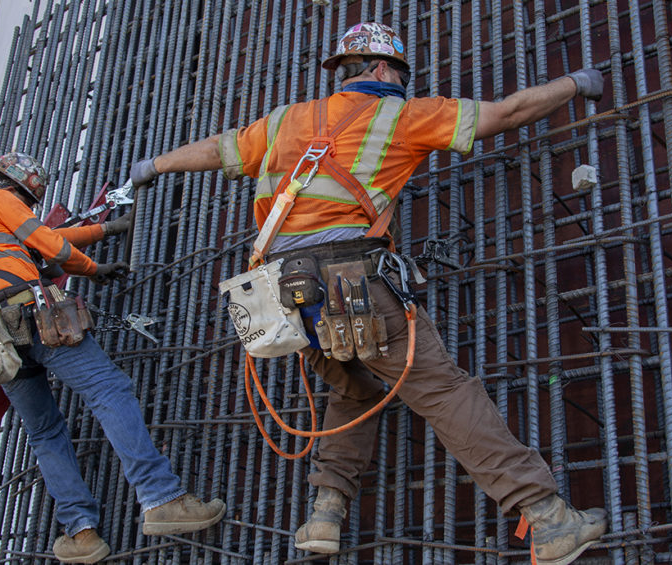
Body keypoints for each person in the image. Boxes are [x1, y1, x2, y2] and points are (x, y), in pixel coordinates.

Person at [130, 21, 607, 565]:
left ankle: (324, 516)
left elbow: (220, 150)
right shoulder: (401, 115)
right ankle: (548, 519)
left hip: (282, 295)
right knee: (445, 392)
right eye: (402, 73)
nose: (406, 82)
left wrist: (154, 165)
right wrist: (575, 81)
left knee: (352, 387)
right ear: (381, 69)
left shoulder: (286, 120)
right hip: (350, 280)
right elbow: (508, 112)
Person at [0, 151, 226, 564]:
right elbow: (49, 244)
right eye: (27, 201)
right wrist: (94, 271)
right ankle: (161, 498)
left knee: (44, 431)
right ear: (13, 186)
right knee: (109, 391)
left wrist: (105, 229)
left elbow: (43, 236)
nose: (26, 207)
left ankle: (80, 533)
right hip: (29, 311)